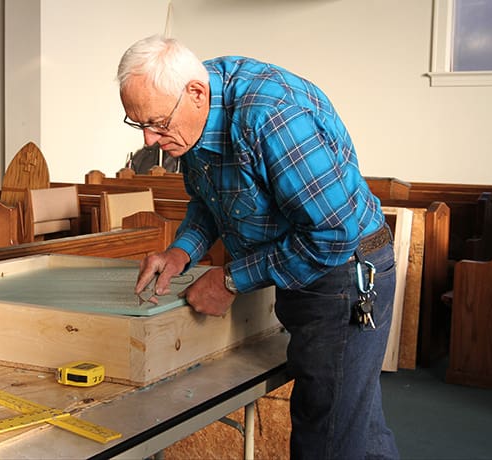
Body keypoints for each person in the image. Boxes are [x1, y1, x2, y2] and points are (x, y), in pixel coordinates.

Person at [117, 35, 400, 459]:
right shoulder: (191, 111)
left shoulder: (272, 116)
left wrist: (231, 280)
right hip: (303, 263)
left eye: (157, 123)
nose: (150, 141)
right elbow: (210, 201)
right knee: (355, 424)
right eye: (138, 124)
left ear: (196, 93)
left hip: (344, 273)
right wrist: (181, 252)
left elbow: (334, 233)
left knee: (327, 438)